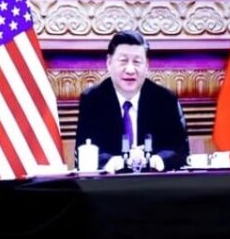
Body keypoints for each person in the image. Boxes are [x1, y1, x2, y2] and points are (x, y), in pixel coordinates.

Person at [75, 30, 189, 172]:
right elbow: (84, 150)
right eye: (123, 61)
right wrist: (115, 161)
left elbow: (180, 150)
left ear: (146, 65)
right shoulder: (93, 100)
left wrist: (156, 160)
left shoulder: (164, 99)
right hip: (108, 186)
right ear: (109, 63)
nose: (130, 70)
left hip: (155, 185)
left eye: (137, 62)